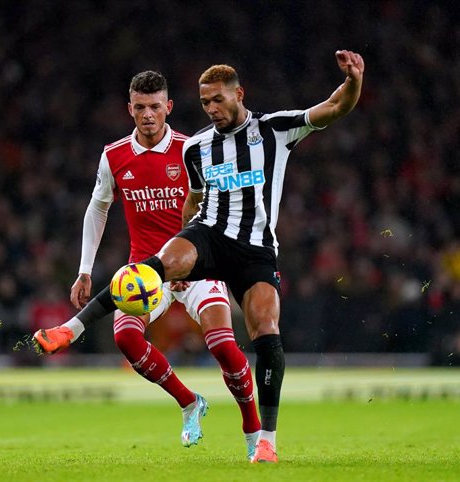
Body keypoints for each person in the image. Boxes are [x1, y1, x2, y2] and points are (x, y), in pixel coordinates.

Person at [65, 50, 365, 463]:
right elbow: (193, 202)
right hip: (208, 238)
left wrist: (353, 81)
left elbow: (333, 108)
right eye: (204, 102)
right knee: (147, 278)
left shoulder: (272, 130)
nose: (210, 109)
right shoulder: (198, 148)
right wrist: (187, 247)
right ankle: (75, 327)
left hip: (255, 251)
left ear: (239, 94)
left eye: (217, 100)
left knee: (263, 329)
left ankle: (265, 440)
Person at [33, 71, 261, 459]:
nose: (148, 115)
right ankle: (189, 403)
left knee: (222, 345)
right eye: (140, 107)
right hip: (145, 272)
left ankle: (255, 434)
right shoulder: (114, 155)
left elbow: (218, 208)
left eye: (155, 107)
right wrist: (84, 268)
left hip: (197, 265)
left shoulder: (194, 150)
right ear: (130, 109)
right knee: (125, 338)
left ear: (168, 107)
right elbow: (98, 207)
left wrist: (212, 256)